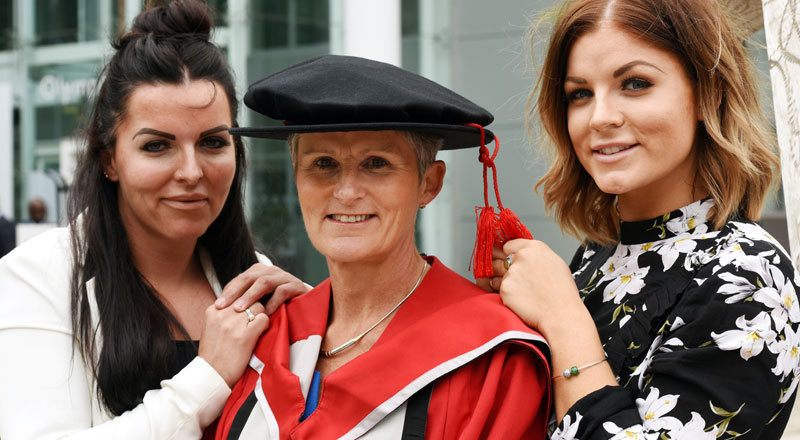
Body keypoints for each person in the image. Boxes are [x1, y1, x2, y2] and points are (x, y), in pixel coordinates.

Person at [485, 0, 800, 438]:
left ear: (710, 94)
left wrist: (561, 316)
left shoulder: (749, 272)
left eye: (635, 83)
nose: (600, 117)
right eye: (580, 94)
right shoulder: (599, 254)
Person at [0, 1, 308, 438]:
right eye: (156, 146)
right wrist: (207, 378)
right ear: (110, 160)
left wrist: (318, 331)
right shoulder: (37, 277)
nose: (191, 171)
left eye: (213, 143)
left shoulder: (258, 282)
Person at [213, 55, 551, 439]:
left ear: (429, 183)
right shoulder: (269, 336)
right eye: (323, 164)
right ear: (296, 177)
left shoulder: (493, 356)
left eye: (376, 163)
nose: (346, 192)